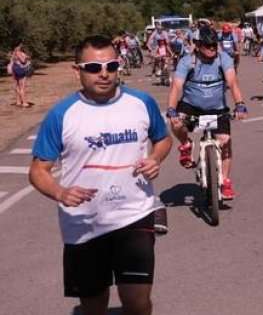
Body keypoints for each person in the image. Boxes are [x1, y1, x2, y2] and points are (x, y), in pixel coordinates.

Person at [30, 35, 171, 315]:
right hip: (84, 224)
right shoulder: (61, 115)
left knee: (137, 302)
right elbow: (38, 171)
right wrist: (60, 192)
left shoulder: (141, 102)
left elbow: (163, 139)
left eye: (111, 66)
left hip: (134, 215)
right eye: (93, 67)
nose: (104, 74)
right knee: (93, 305)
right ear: (77, 71)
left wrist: (155, 158)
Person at [166, 25, 247, 200]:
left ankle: (225, 180)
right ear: (197, 45)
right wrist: (172, 109)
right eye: (207, 45)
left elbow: (232, 82)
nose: (212, 48)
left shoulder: (223, 58)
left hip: (217, 107)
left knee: (225, 141)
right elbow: (176, 87)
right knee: (176, 123)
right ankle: (186, 145)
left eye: (214, 45)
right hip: (191, 106)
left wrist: (240, 104)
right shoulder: (187, 61)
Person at [8, 42, 34, 107]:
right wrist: (26, 57)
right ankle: (24, 102)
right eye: (20, 45)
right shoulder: (18, 52)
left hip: (15, 69)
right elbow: (23, 61)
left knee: (17, 86)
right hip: (20, 70)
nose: (21, 46)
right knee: (22, 87)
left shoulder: (13, 52)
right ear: (18, 45)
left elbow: (13, 61)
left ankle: (18, 101)